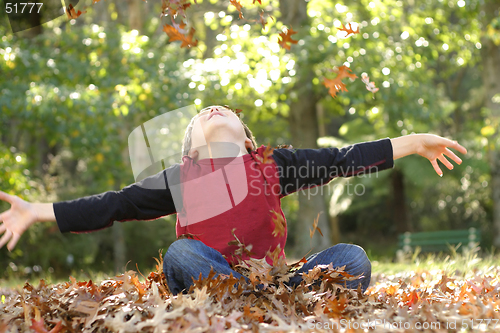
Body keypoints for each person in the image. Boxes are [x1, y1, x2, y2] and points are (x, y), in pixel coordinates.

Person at [0, 105, 467, 294]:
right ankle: (244, 303)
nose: (215, 109)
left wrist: (414, 141)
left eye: (225, 111)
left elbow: (343, 158)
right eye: (205, 113)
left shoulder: (271, 165)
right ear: (191, 149)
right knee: (181, 254)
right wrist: (37, 210)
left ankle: (266, 302)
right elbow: (115, 205)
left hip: (276, 286)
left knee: (352, 258)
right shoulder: (181, 178)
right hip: (212, 285)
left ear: (247, 140)